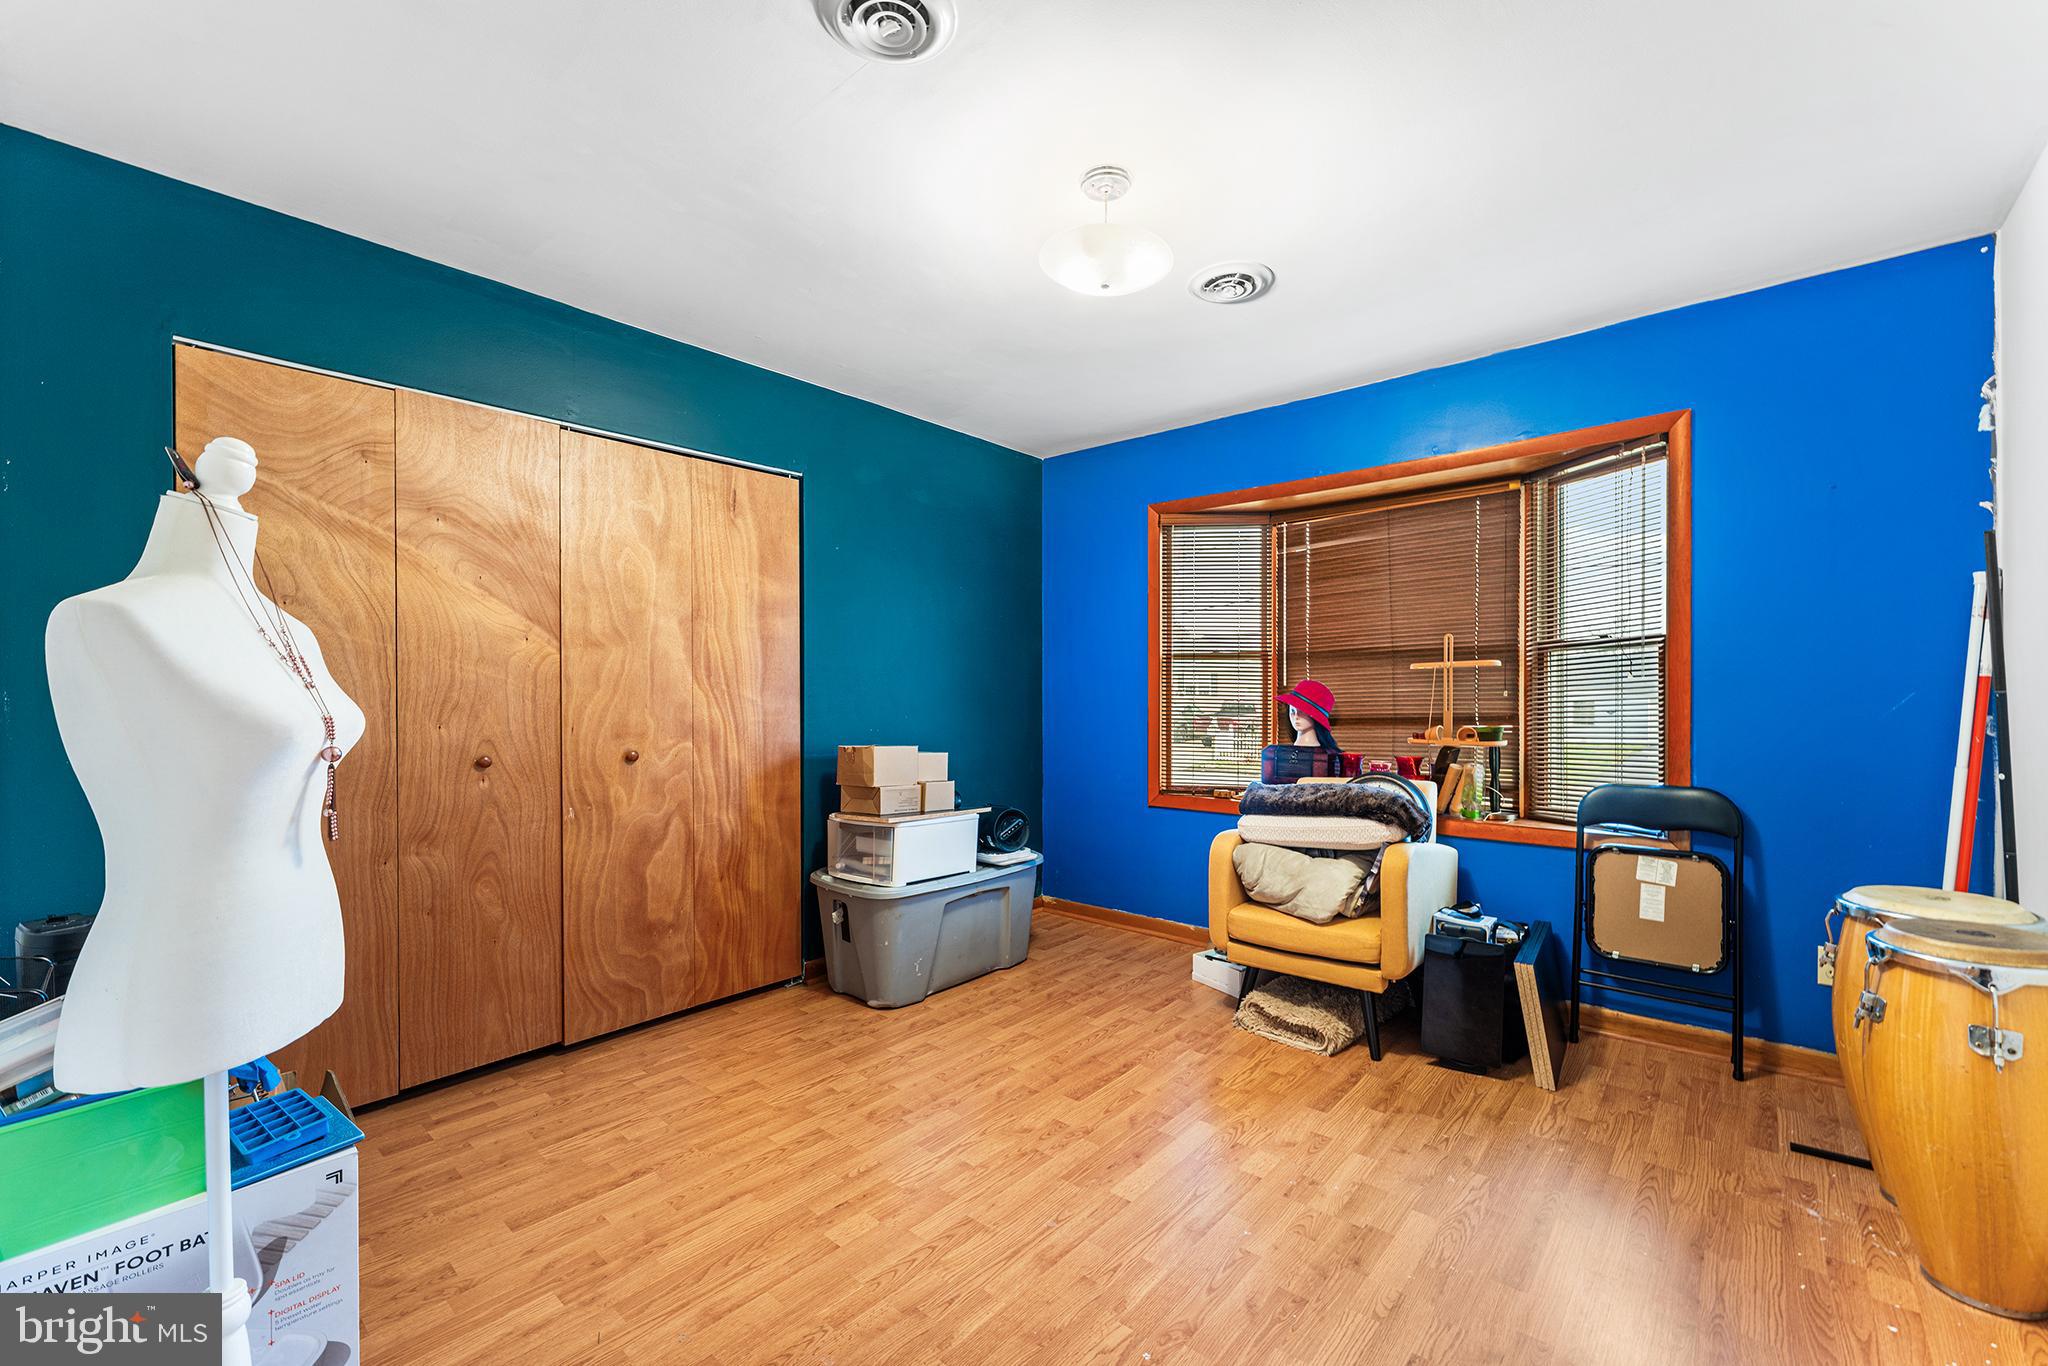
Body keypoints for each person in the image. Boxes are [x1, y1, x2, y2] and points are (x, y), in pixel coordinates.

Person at [1277, 679, 1341, 753]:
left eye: (1301, 711)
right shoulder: (1280, 753)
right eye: (1292, 711)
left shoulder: (1327, 757)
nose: (1296, 716)